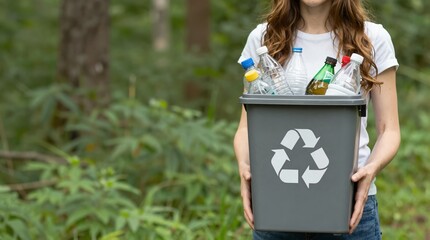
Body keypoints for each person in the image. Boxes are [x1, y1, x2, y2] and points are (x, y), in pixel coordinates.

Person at [233, 0, 400, 239]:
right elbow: (247, 127)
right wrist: (244, 168)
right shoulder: (264, 38)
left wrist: (370, 171)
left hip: (347, 203)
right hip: (276, 202)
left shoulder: (372, 38)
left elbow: (389, 130)